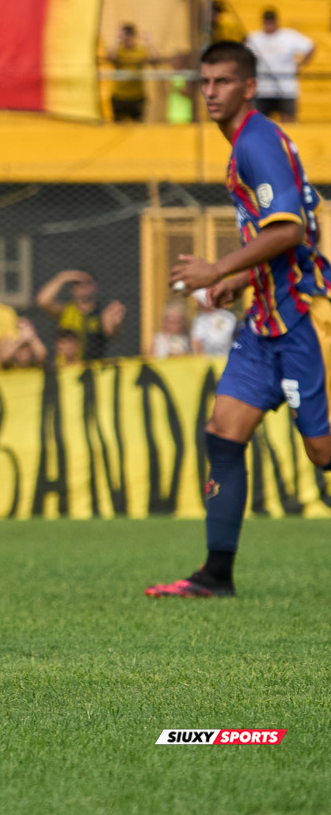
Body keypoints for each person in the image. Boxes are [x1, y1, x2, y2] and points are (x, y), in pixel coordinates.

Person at [152, 40, 331, 598]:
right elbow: (306, 221)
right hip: (264, 325)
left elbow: (292, 230)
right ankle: (216, 576)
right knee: (223, 435)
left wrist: (216, 269)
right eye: (204, 82)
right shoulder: (250, 146)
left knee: (324, 452)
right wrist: (238, 280)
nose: (210, 92)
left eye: (222, 82)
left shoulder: (256, 142)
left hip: (302, 320)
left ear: (249, 87)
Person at [35, 269, 124, 361]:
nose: (82, 287)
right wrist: (62, 278)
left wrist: (116, 323)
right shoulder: (66, 311)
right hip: (66, 369)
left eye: (86, 283)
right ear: (72, 289)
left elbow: (112, 333)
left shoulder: (101, 313)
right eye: (77, 284)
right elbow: (43, 301)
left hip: (92, 369)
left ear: (94, 286)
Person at [243, 8, 314, 122]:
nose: (269, 24)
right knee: (261, 123)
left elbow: (310, 46)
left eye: (271, 21)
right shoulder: (254, 37)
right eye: (267, 21)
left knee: (288, 123)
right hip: (263, 89)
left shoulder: (289, 36)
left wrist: (300, 65)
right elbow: (243, 55)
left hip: (286, 89)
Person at [109, 24, 151, 123]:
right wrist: (117, 41)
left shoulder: (140, 50)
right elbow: (110, 58)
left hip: (136, 96)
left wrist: (150, 43)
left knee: (138, 127)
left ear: (132, 36)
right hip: (119, 96)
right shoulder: (118, 50)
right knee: (117, 127)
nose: (124, 39)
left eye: (125, 35)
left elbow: (154, 60)